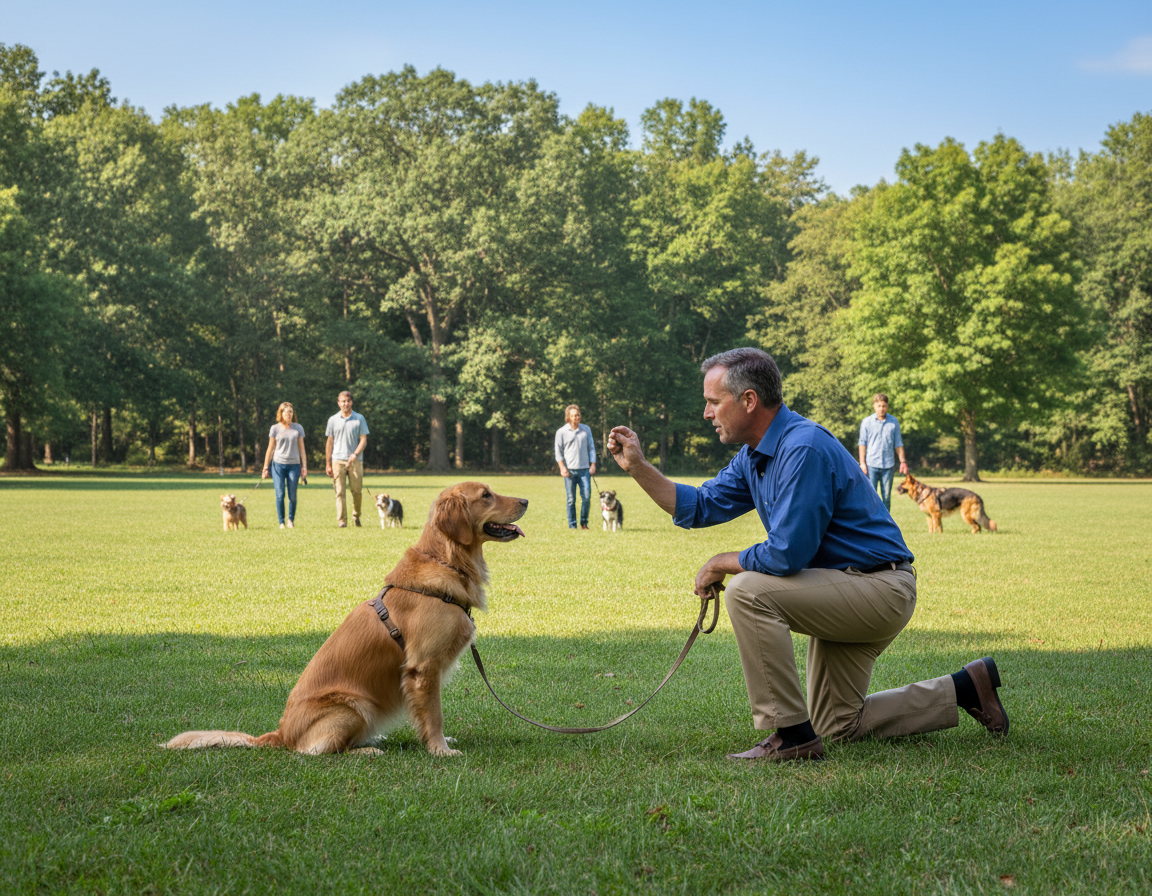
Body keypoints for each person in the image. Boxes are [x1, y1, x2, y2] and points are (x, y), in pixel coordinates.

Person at [606, 348, 1009, 762]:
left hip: (879, 587)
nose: (707, 413)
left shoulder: (803, 448)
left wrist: (719, 563)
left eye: (714, 402)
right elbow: (698, 506)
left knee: (747, 591)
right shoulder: (755, 455)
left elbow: (786, 555)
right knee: (838, 723)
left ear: (749, 400)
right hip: (849, 585)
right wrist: (637, 466)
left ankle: (792, 736)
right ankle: (967, 687)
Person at [325, 391, 369, 528]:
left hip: (355, 461)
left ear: (352, 402)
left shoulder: (359, 419)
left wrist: (355, 454)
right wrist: (328, 464)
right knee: (339, 492)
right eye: (343, 401)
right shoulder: (333, 420)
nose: (345, 404)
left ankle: (356, 515)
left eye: (348, 401)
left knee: (357, 491)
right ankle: (342, 521)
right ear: (338, 403)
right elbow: (330, 442)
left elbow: (363, 440)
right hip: (337, 460)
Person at [858, 393, 907, 511]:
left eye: (884, 406)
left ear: (887, 406)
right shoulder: (867, 422)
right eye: (879, 406)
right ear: (874, 406)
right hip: (871, 465)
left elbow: (898, 443)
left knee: (886, 497)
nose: (881, 409)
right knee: (871, 496)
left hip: (888, 465)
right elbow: (862, 443)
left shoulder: (893, 422)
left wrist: (903, 462)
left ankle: (886, 522)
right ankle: (871, 521)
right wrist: (862, 463)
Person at [262, 402, 307, 529]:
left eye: (290, 412)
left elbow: (302, 448)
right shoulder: (275, 428)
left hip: (294, 465)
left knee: (292, 495)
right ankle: (281, 522)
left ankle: (290, 520)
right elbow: (270, 448)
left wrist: (304, 466)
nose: (289, 414)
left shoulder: (298, 428)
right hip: (278, 466)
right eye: (286, 412)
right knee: (280, 494)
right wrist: (265, 467)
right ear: (281, 414)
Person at [555, 404, 597, 530]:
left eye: (577, 415)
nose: (576, 418)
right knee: (571, 499)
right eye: (573, 415)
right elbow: (558, 451)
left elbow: (591, 448)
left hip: (585, 470)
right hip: (569, 471)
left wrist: (593, 464)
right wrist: (562, 467)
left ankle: (584, 523)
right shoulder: (561, 432)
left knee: (587, 497)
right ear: (568, 417)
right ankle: (572, 525)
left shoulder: (586, 430)